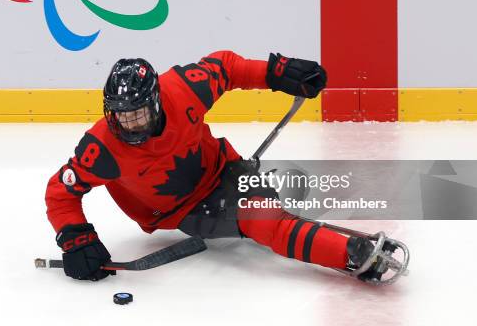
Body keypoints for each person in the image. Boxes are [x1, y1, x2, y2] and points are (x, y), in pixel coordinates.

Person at [45, 51, 380, 282]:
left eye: (138, 113)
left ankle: (330, 242)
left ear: (157, 101)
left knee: (263, 212)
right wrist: (76, 238)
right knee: (261, 219)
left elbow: (226, 67)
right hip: (180, 211)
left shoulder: (183, 89)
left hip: (224, 170)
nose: (129, 124)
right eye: (120, 114)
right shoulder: (102, 147)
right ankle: (346, 252)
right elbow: (60, 192)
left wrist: (278, 71)